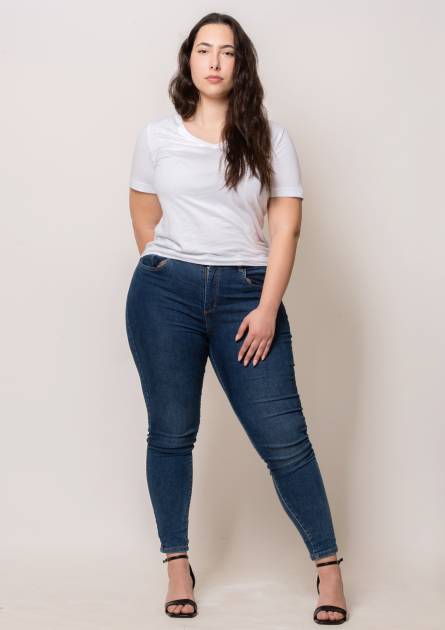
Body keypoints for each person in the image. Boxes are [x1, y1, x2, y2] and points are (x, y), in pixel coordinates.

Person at [125, 12, 348, 624]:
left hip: (246, 296)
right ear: (188, 61)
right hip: (164, 295)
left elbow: (286, 227)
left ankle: (328, 568)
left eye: (227, 51)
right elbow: (143, 209)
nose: (215, 61)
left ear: (241, 64)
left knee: (285, 440)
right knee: (171, 433)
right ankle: (177, 564)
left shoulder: (270, 139)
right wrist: (164, 268)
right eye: (204, 50)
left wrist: (267, 307)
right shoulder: (157, 137)